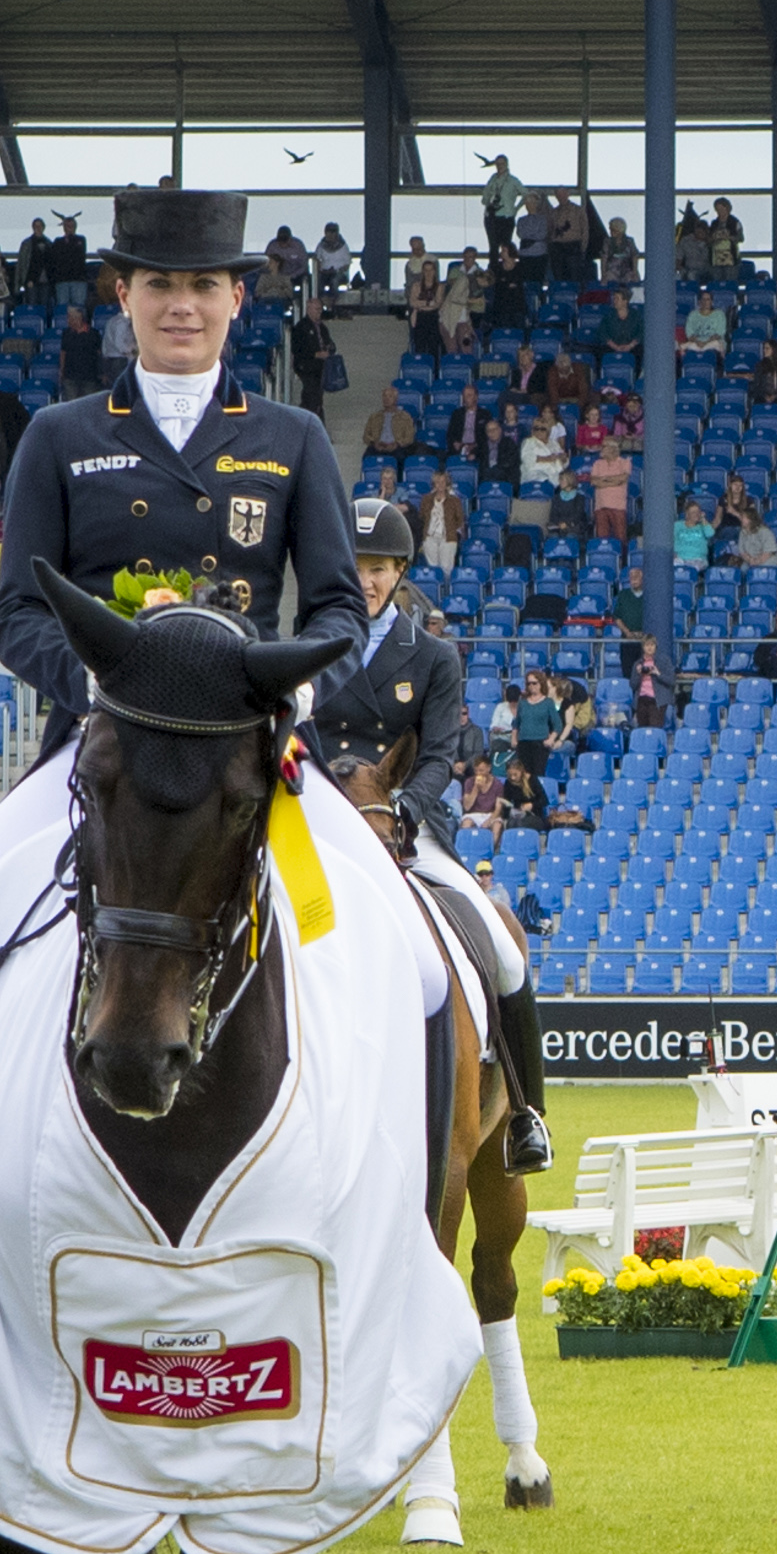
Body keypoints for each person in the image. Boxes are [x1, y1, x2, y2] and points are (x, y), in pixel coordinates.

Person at [0, 186, 359, 1078]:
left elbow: (339, 608)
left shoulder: (292, 435)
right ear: (123, 296)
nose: (180, 305)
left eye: (202, 284)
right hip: (99, 750)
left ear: (237, 297)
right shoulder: (60, 434)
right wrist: (100, 685)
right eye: (158, 284)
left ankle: (420, 1191)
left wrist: (290, 694)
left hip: (246, 755)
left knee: (424, 958)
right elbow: (19, 615)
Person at [312, 497, 551, 1168]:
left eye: (380, 567)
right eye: (356, 564)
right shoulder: (306, 643)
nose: (366, 578)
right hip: (319, 822)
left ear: (399, 572)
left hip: (405, 826)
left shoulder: (434, 657)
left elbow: (442, 754)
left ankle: (527, 1115)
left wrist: (408, 808)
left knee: (502, 947)